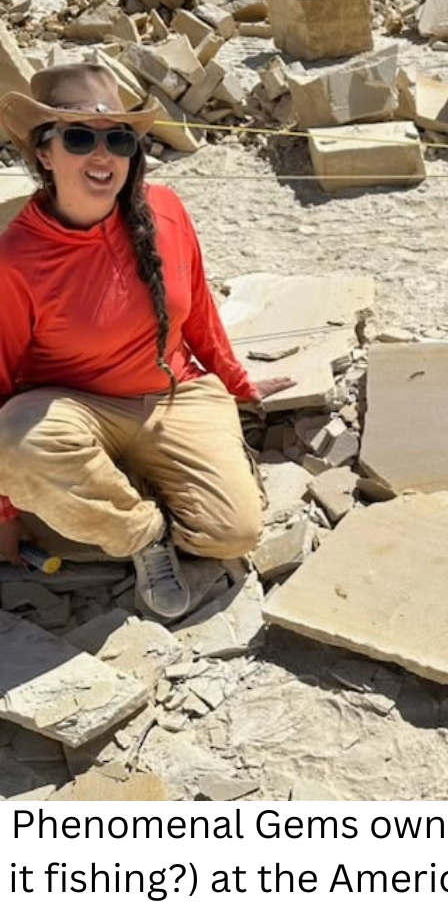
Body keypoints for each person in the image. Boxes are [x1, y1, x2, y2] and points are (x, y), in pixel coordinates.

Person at [0, 63, 293, 620]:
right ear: (44, 153)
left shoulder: (167, 210)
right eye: (81, 137)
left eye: (119, 138)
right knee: (14, 440)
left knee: (233, 534)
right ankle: (142, 537)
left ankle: (121, 486)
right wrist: (4, 513)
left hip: (176, 395)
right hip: (77, 410)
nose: (102, 155)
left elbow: (200, 310)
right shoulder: (14, 260)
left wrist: (238, 382)